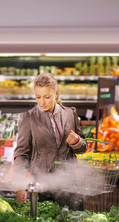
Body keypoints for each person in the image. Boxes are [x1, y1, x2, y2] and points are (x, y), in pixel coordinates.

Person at [13, 72, 88, 209]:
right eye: (38, 97)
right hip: (41, 186)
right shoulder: (28, 118)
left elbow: (83, 147)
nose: (42, 102)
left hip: (68, 184)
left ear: (56, 94)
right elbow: (21, 155)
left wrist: (77, 142)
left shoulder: (70, 113)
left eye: (47, 97)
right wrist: (20, 185)